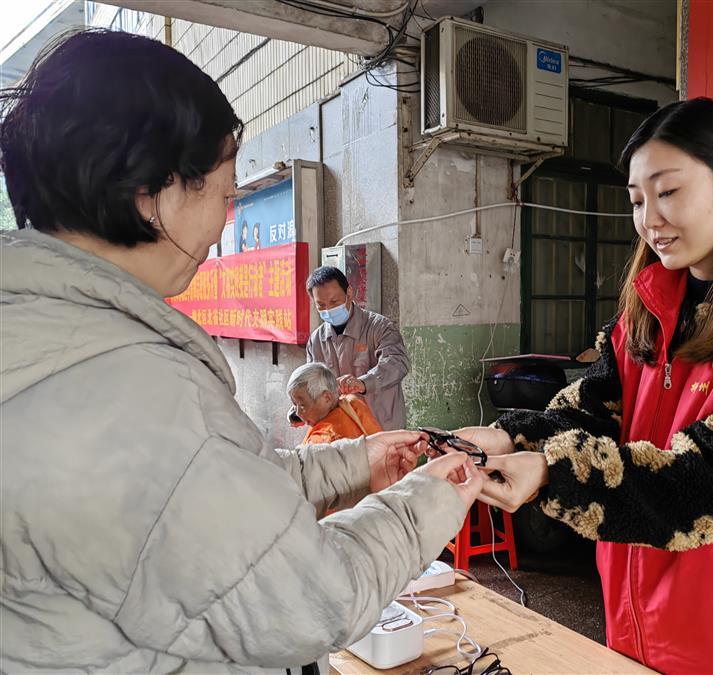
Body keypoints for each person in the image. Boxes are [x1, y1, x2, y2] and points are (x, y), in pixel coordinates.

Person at [0, 29, 483, 674]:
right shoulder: (128, 385)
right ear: (154, 193)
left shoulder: (48, 335)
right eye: (225, 193)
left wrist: (356, 461)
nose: (228, 216)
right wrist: (431, 497)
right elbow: (311, 598)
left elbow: (214, 492)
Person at [458, 98, 713, 674]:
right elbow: (588, 412)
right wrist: (500, 439)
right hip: (641, 629)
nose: (650, 219)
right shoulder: (647, 312)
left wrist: (552, 473)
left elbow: (704, 483)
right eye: (636, 200)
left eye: (668, 191)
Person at [305, 266, 409, 430]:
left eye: (334, 302)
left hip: (382, 427)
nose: (329, 310)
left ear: (349, 292)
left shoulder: (379, 327)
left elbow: (397, 362)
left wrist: (364, 382)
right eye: (321, 306)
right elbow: (311, 385)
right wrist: (302, 409)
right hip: (341, 430)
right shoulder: (316, 340)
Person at [287, 362, 383, 444]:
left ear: (327, 398)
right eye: (295, 405)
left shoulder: (325, 440)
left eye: (302, 405)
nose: (298, 413)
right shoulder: (352, 403)